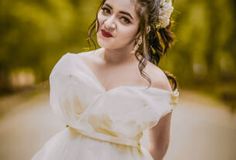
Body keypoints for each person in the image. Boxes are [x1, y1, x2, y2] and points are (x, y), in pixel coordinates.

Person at [32, 0, 179, 159]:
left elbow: (159, 147)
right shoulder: (74, 66)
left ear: (142, 31)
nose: (108, 23)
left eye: (125, 19)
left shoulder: (157, 82)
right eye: (106, 10)